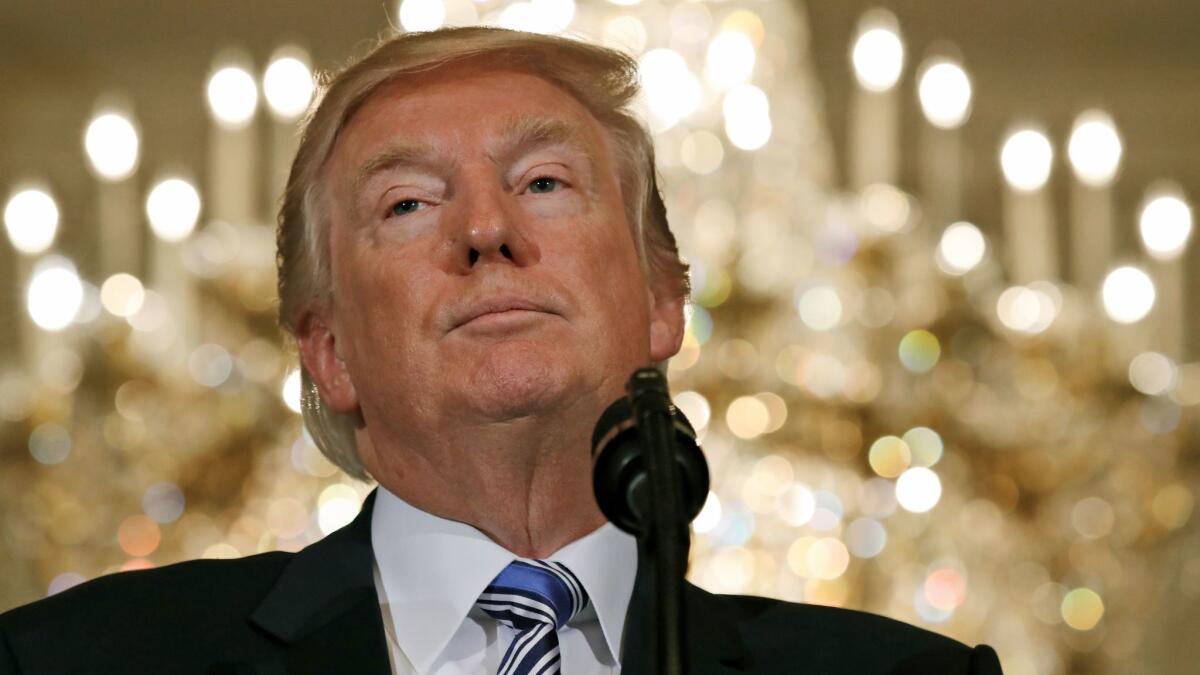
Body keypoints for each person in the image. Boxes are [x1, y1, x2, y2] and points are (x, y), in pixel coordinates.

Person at [0, 26, 1003, 674]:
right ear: (329, 349)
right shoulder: (73, 663)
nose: (485, 229)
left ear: (663, 303)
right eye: (408, 203)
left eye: (545, 183)